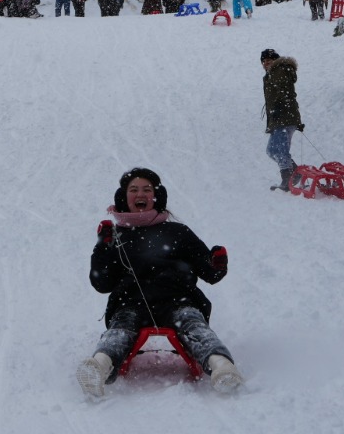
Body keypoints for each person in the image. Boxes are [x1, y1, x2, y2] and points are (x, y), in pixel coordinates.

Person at [76, 168, 244, 397]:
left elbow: (209, 274)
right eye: (133, 190)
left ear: (157, 195)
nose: (140, 194)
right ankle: (99, 367)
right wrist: (102, 247)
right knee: (120, 330)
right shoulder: (116, 237)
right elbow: (102, 283)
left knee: (193, 325)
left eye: (147, 189)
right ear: (124, 198)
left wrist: (217, 263)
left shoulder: (177, 232)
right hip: (130, 302)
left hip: (178, 300)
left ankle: (222, 367)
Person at [260, 48, 302, 189]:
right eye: (264, 61)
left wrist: (280, 107)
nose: (266, 63)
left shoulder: (280, 71)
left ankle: (288, 178)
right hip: (279, 118)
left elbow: (285, 91)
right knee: (272, 150)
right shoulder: (272, 74)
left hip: (285, 117)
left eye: (269, 60)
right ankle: (295, 174)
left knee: (279, 150)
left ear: (275, 60)